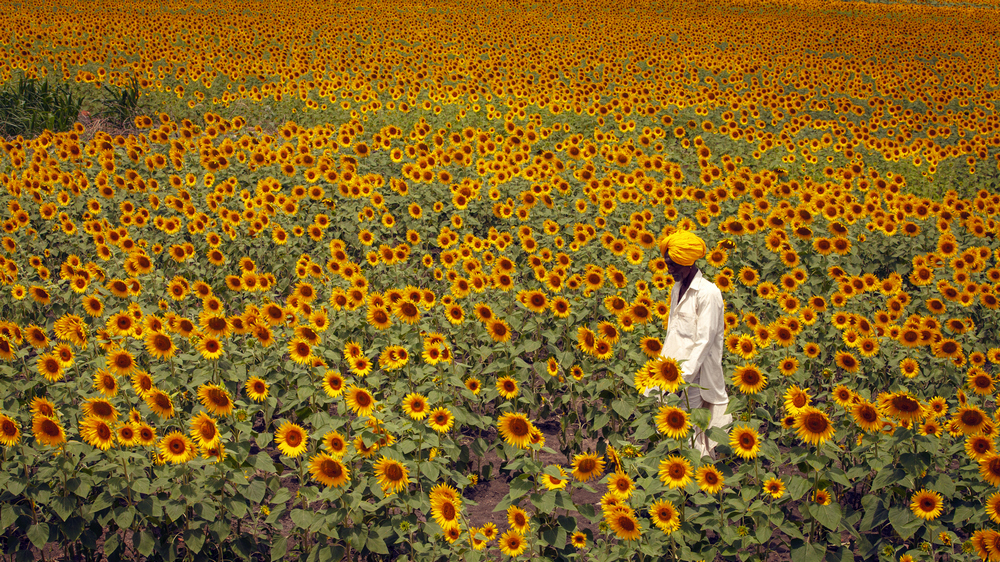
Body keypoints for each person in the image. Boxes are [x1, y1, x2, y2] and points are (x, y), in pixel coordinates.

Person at [648, 230, 731, 460]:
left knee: (690, 426)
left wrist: (683, 376)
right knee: (671, 423)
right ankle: (683, 475)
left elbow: (704, 341)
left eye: (674, 264)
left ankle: (698, 477)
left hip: (694, 376)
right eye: (667, 264)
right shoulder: (677, 288)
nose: (669, 269)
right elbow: (673, 333)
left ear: (688, 261)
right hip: (672, 370)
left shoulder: (708, 293)